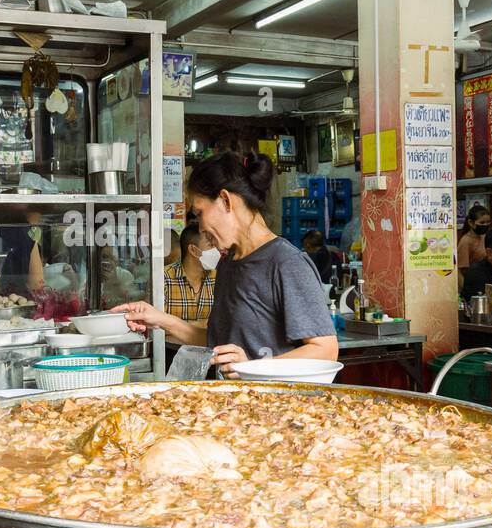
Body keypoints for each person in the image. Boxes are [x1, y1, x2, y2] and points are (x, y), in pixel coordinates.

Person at [113, 151, 337, 378]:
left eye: (200, 213)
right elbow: (218, 340)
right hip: (234, 405)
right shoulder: (228, 262)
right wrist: (159, 319)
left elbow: (326, 350)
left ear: (226, 200)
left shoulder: (285, 263)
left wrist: (252, 367)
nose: (200, 227)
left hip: (274, 408)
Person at [164, 223, 216, 325]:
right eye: (211, 245)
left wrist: (177, 326)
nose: (217, 250)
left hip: (209, 342)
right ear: (193, 250)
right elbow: (158, 326)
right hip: (170, 342)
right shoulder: (164, 278)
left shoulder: (219, 278)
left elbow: (225, 322)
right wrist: (204, 325)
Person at [456, 204, 492, 274]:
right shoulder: (465, 241)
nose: (485, 225)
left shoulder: (484, 236)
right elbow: (461, 271)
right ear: (471, 223)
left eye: (488, 222)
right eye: (482, 222)